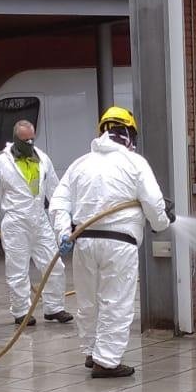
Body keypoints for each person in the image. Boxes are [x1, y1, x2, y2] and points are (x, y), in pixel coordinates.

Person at [49, 106, 173, 378]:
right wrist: (163, 223)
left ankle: (92, 353)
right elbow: (153, 203)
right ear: (129, 133)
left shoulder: (80, 163)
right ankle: (107, 362)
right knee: (115, 302)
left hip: (84, 241)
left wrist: (62, 233)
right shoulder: (134, 162)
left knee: (88, 301)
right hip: (120, 243)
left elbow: (58, 202)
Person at [0, 119, 72, 326]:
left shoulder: (43, 159)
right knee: (18, 270)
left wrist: (65, 222)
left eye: (32, 138)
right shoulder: (3, 162)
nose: (29, 143)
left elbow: (55, 191)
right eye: (24, 139)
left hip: (40, 220)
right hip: (15, 223)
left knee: (54, 265)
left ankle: (54, 307)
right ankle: (21, 312)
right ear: (15, 138)